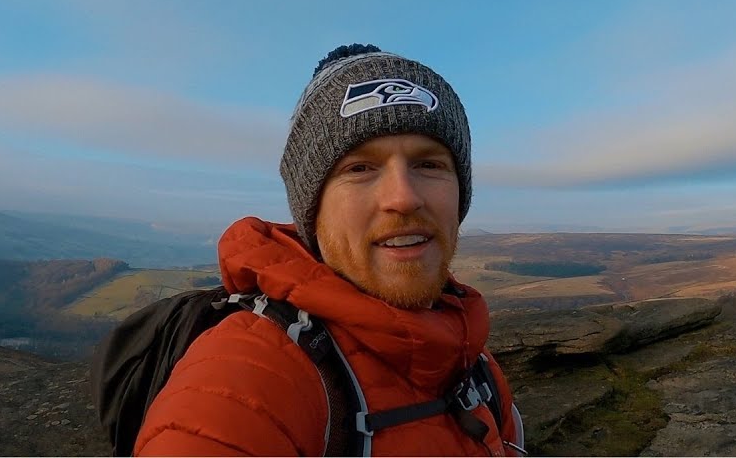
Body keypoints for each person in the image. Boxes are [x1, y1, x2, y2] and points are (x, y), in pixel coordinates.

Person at [134, 43, 525, 456]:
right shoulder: (246, 380)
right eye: (360, 168)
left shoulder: (474, 365)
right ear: (313, 211)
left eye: (429, 164)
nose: (404, 197)